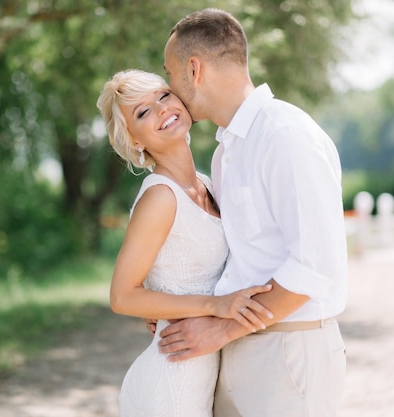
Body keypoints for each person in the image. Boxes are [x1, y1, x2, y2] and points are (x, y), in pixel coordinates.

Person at [159, 8, 348, 417]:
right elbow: (241, 257)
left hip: (288, 348)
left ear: (194, 69)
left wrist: (222, 330)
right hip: (240, 345)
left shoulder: (285, 136)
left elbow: (316, 265)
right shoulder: (228, 151)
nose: (169, 89)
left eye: (169, 74)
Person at [96, 69, 274, 417]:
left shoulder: (208, 183)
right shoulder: (160, 197)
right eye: (143, 112)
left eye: (163, 96)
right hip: (172, 381)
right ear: (134, 141)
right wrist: (214, 305)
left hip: (205, 375)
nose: (161, 109)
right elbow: (122, 296)